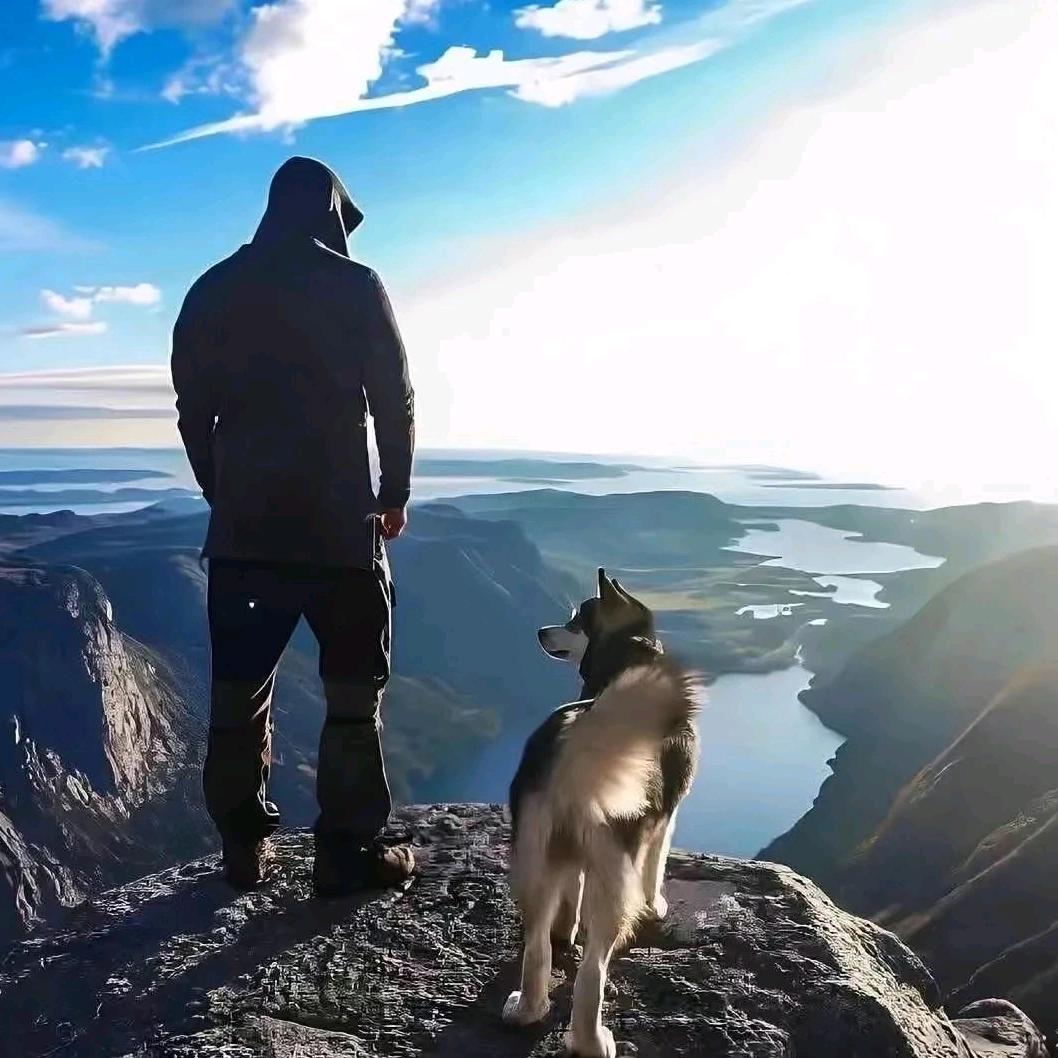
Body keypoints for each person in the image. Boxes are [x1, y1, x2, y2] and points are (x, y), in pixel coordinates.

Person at [171, 156, 415, 896]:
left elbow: (193, 412)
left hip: (246, 536)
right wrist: (393, 492)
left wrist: (226, 493)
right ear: (330, 214)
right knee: (351, 692)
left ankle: (242, 851)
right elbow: (394, 399)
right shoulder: (355, 285)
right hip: (342, 530)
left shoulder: (212, 289)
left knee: (237, 695)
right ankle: (345, 853)